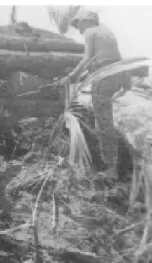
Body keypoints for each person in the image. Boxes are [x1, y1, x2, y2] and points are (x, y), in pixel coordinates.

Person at [57, 10, 131, 179]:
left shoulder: (91, 32)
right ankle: (112, 162)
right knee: (106, 120)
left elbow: (86, 59)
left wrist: (71, 77)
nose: (79, 29)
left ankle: (111, 169)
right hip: (115, 74)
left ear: (86, 21)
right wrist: (127, 83)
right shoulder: (107, 32)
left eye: (78, 25)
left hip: (104, 77)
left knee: (103, 122)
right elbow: (118, 59)